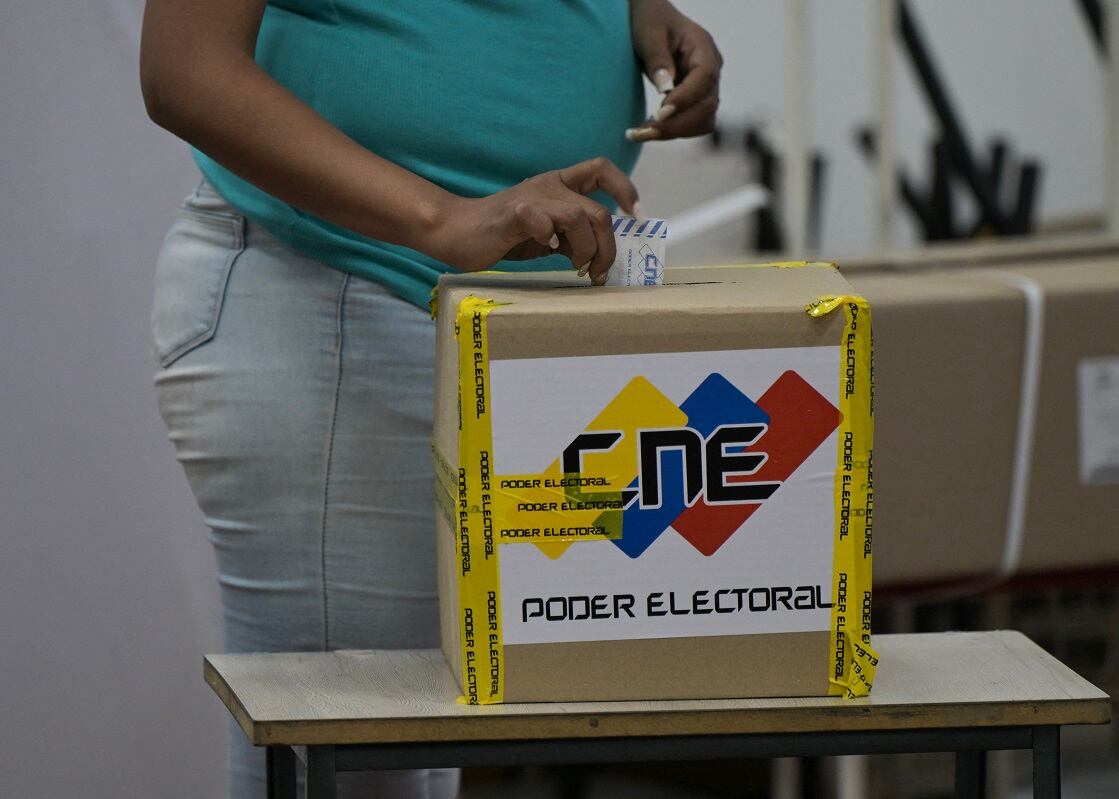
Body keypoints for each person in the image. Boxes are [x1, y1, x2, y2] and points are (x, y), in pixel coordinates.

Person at [140, 1, 722, 796]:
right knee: (351, 767)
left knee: (410, 758)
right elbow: (184, 69)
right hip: (342, 293)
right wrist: (443, 215)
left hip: (479, 323)